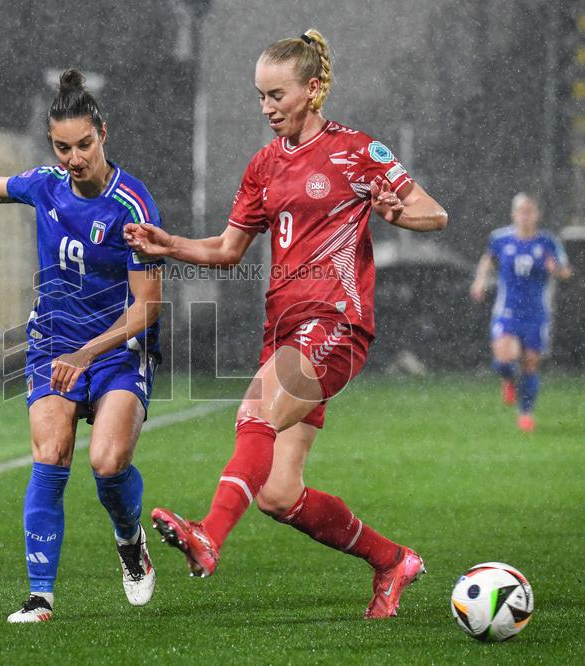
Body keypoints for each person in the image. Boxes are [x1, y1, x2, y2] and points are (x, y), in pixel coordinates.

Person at [125, 29, 447, 619]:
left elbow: (434, 211)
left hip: (336, 323)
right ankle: (392, 560)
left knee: (254, 413)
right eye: (260, 97)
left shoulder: (357, 150)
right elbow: (228, 250)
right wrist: (169, 244)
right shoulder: (264, 165)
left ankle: (208, 537)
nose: (268, 107)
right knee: (278, 493)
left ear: (314, 89)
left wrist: (400, 213)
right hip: (284, 332)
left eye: (277, 94)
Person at [0, 68, 165, 623]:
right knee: (51, 456)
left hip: (116, 347)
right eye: (64, 147)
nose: (75, 158)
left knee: (109, 462)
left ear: (104, 134)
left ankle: (129, 540)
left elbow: (146, 307)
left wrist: (88, 353)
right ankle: (40, 595)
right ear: (53, 145)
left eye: (85, 145)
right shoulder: (45, 184)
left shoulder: (134, 206)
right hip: (53, 343)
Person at [470, 192, 571, 432]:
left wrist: (554, 268)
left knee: (530, 364)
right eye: (521, 211)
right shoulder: (500, 239)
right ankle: (507, 378)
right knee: (504, 360)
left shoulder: (547, 242)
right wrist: (480, 281)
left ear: (536, 215)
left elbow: (566, 271)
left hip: (537, 314)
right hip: (507, 311)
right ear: (513, 214)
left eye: (529, 211)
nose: (525, 216)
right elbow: (488, 259)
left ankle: (525, 413)